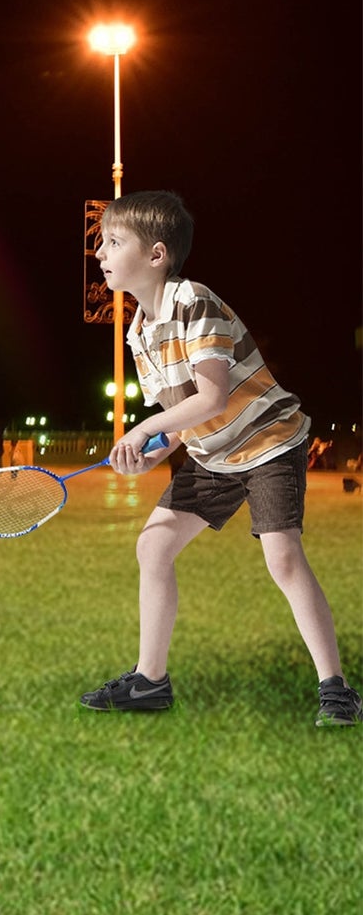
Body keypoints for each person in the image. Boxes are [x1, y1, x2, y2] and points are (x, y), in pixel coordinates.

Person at [79, 191, 359, 727]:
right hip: (214, 455)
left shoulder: (195, 302)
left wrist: (141, 429)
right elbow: (181, 421)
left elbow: (210, 398)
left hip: (268, 441)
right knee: (154, 545)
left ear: (156, 255)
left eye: (113, 242)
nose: (101, 253)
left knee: (282, 557)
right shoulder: (139, 333)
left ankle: (337, 689)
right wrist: (149, 452)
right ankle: (150, 681)